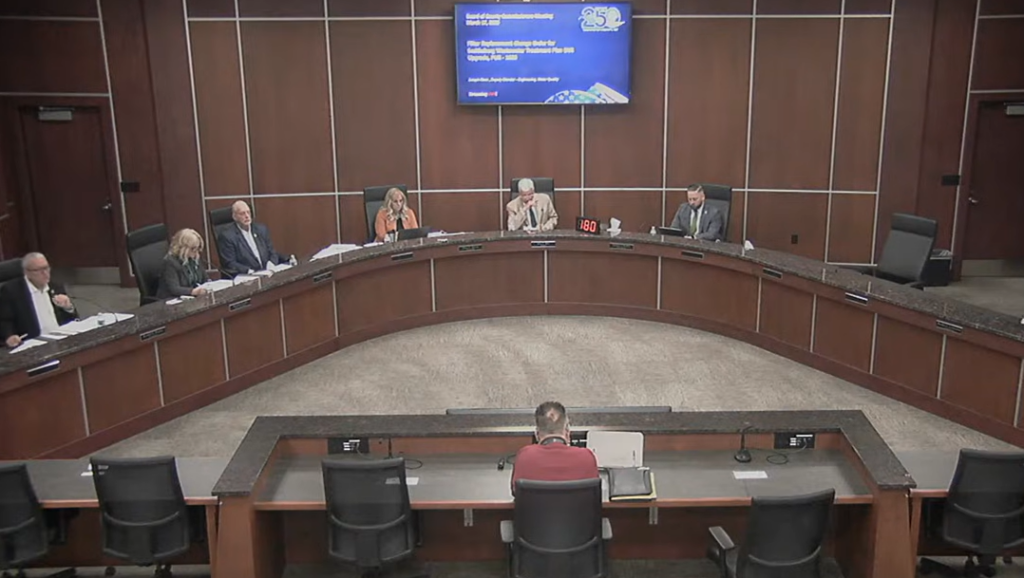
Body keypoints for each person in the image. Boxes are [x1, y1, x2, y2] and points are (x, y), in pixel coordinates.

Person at [510, 401, 599, 495]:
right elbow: (595, 494)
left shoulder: (524, 457)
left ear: (537, 435)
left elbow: (515, 491)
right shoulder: (587, 457)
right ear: (567, 432)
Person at [0, 252, 77, 348]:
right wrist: (9, 336)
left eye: (46, 268)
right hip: (34, 344)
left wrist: (68, 308)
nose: (45, 273)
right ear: (27, 272)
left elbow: (71, 319)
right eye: (38, 270)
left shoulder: (55, 287)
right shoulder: (11, 291)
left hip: (60, 339)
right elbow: (4, 320)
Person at [216, 200, 286, 278]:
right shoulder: (227, 236)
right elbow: (229, 263)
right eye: (242, 213)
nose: (247, 216)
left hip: (267, 273)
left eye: (248, 212)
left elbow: (272, 251)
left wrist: (271, 263)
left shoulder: (261, 229)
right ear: (234, 217)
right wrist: (249, 271)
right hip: (247, 276)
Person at [156, 229, 210, 299]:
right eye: (193, 249)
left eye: (198, 248)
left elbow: (205, 279)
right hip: (171, 299)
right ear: (183, 248)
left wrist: (210, 285)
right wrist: (193, 291)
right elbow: (174, 289)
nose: (196, 252)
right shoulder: (170, 262)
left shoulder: (194, 259)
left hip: (192, 298)